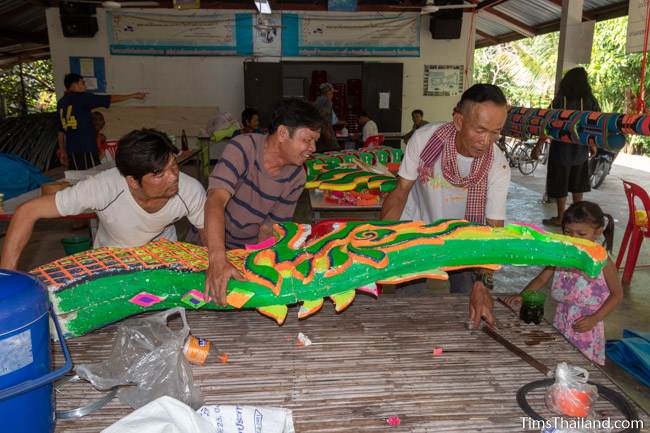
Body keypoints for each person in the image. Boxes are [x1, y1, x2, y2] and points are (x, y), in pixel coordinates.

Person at [381, 83, 511, 327]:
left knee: (467, 300)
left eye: (496, 132)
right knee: (408, 306)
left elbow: (494, 228)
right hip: (416, 230)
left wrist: (483, 282)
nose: (486, 141)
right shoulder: (424, 140)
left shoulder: (498, 165)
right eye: (480, 130)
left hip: (464, 237)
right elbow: (400, 192)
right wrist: (382, 243)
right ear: (459, 121)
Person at [0, 129, 206, 270]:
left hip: (161, 260)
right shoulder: (103, 187)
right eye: (159, 174)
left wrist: (213, 261)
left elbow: (208, 227)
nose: (173, 177)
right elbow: (27, 211)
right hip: (111, 261)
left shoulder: (189, 190)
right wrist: (8, 278)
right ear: (132, 182)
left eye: (174, 165)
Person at [204, 98, 323, 306]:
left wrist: (258, 270)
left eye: (315, 141)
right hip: (210, 249)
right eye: (307, 140)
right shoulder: (244, 148)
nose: (312, 148)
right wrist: (217, 260)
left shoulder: (297, 177)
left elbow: (268, 229)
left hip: (245, 254)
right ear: (283, 133)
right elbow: (215, 201)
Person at [504, 201, 622, 365]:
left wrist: (595, 318)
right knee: (559, 360)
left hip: (587, 326)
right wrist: (523, 295)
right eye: (568, 232)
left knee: (581, 365)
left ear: (598, 232)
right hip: (562, 318)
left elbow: (617, 295)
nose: (574, 239)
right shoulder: (561, 256)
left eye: (581, 234)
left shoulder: (603, 261)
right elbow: (542, 278)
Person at [534, 67, 600, 227]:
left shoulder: (560, 100)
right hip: (580, 148)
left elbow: (547, 124)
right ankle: (579, 217)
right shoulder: (590, 100)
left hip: (560, 148)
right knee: (578, 184)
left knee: (560, 182)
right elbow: (595, 123)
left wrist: (538, 145)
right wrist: (592, 144)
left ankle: (561, 217)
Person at [57, 73, 147, 170]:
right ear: (75, 84)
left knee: (78, 177)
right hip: (85, 148)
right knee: (91, 176)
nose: (85, 86)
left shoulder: (61, 103)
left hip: (71, 149)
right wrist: (133, 95)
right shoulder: (82, 98)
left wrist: (62, 150)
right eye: (82, 83)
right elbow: (109, 98)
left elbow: (60, 130)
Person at [313, 82, 338, 152]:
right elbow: (323, 115)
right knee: (334, 152)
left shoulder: (317, 100)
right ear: (328, 92)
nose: (332, 95)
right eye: (332, 93)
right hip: (325, 132)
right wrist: (327, 132)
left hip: (318, 131)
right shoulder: (327, 101)